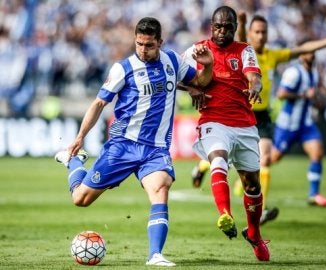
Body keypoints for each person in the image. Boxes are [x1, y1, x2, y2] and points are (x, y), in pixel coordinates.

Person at [54, 17, 213, 267]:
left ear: (160, 42)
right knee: (80, 200)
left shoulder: (172, 60)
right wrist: (79, 138)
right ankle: (73, 162)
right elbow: (98, 104)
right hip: (123, 146)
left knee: (161, 189)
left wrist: (207, 67)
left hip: (155, 149)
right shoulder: (123, 68)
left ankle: (155, 255)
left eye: (149, 45)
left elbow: (201, 82)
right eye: (139, 44)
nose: (143, 49)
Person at [191, 12, 326, 224]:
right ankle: (203, 166)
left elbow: (303, 49)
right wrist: (241, 23)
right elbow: (238, 37)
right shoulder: (242, 51)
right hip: (233, 114)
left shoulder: (272, 55)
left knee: (265, 160)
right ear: (249, 34)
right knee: (224, 157)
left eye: (264, 32)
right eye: (257, 32)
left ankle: (260, 212)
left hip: (260, 116)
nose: (261, 36)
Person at [182, 6, 270, 261]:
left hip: (243, 124)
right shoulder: (196, 50)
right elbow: (172, 75)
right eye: (218, 27)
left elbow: (254, 77)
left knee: (252, 184)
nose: (222, 32)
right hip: (213, 120)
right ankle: (225, 214)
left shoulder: (245, 50)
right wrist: (191, 89)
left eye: (227, 27)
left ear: (234, 28)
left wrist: (256, 86)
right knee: (217, 157)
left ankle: (254, 233)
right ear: (212, 26)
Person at [271, 43, 326, 206]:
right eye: (308, 50)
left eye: (313, 51)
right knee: (273, 158)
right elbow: (281, 94)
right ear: (301, 53)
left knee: (317, 153)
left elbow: (311, 97)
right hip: (288, 125)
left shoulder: (314, 73)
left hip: (305, 124)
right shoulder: (293, 72)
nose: (311, 53)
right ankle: (244, 179)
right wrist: (303, 95)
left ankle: (314, 194)